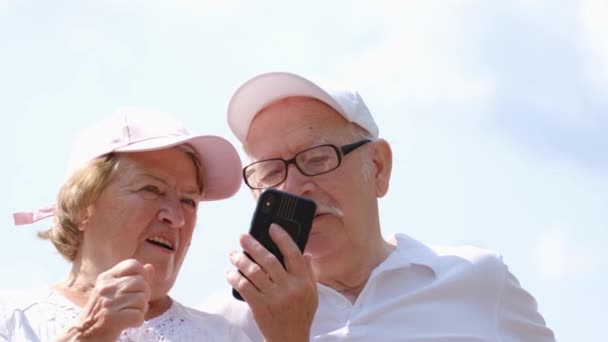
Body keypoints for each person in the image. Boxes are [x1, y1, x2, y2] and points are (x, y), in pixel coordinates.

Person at [208, 72, 556, 341]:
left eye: (317, 159)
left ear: (377, 167)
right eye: (270, 172)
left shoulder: (478, 280)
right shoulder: (222, 326)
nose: (295, 187)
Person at [0, 108, 314, 341]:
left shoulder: (224, 336)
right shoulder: (11, 317)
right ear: (83, 206)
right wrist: (88, 334)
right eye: (151, 190)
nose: (176, 218)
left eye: (189, 201)